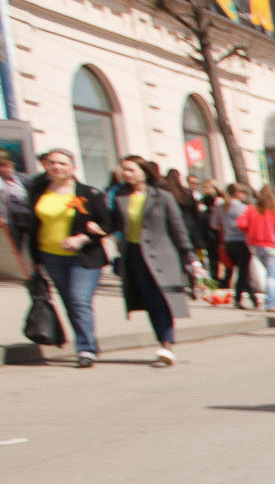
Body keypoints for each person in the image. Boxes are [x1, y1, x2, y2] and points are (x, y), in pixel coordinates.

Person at [16, 148, 110, 365]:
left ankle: (85, 350)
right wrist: (33, 260)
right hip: (50, 256)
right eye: (52, 163)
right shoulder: (38, 191)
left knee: (79, 301)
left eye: (62, 163)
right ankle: (87, 340)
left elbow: (108, 223)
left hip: (84, 256)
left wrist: (84, 237)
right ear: (46, 166)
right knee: (70, 302)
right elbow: (32, 225)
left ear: (73, 167)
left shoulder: (88, 193)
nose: (57, 167)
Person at [109, 156, 190, 366]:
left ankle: (167, 344)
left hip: (163, 256)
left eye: (131, 170)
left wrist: (189, 257)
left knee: (162, 299)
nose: (127, 174)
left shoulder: (162, 197)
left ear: (144, 171)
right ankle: (162, 341)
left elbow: (178, 228)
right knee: (149, 300)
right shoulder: (120, 196)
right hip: (135, 255)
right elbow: (114, 224)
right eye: (124, 170)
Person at [238, 185, 275, 319]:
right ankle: (271, 303)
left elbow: (241, 223)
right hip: (272, 246)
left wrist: (251, 231)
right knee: (271, 276)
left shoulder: (251, 209)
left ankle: (272, 301)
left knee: (268, 273)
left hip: (255, 246)